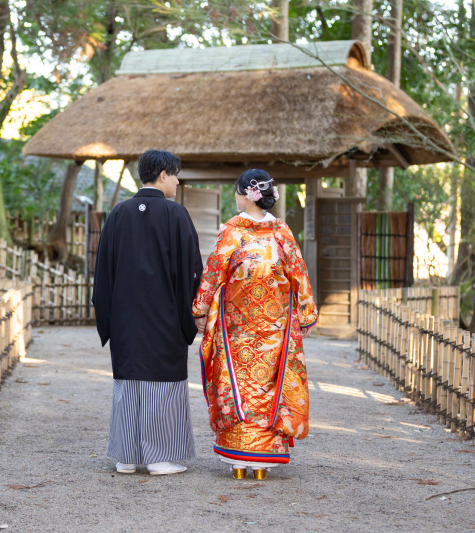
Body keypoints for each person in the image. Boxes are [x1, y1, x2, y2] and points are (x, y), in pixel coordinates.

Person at [192, 169, 317, 480]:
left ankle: (239, 458)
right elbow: (299, 275)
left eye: (236, 192)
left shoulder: (232, 232)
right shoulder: (282, 232)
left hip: (236, 325)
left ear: (245, 193)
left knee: (237, 386)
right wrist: (306, 313)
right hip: (274, 326)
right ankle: (263, 460)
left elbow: (213, 274)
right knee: (269, 385)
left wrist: (199, 309)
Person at [92, 149, 203, 476]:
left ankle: (126, 457)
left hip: (125, 318)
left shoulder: (118, 213)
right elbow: (192, 272)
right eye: (176, 174)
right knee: (163, 384)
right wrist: (190, 316)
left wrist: (108, 319)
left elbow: (103, 273)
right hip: (164, 318)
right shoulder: (176, 215)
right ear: (164, 174)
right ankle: (159, 458)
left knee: (128, 383)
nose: (178, 181)